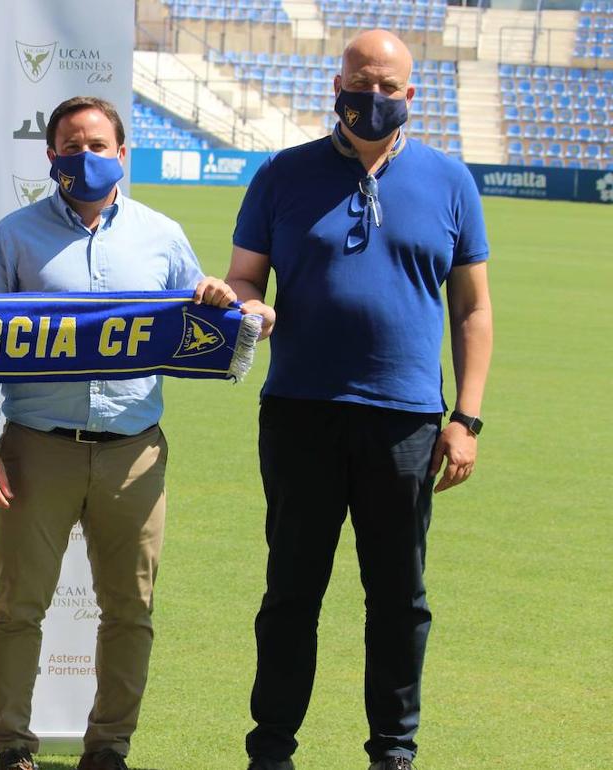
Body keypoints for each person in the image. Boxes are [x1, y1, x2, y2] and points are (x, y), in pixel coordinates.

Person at [0, 96, 263, 770]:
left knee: (131, 609)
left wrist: (214, 294)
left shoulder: (161, 235)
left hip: (133, 453)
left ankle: (109, 746)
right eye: (71, 145)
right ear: (51, 157)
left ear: (123, 154)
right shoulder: (14, 236)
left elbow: (204, 318)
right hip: (37, 449)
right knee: (18, 608)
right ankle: (12, 746)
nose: (84, 157)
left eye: (98, 145)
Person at [229, 30, 493, 770]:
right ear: (334, 85)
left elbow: (473, 309)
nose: (370, 99)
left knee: (400, 600)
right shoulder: (281, 174)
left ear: (411, 96)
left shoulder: (450, 181)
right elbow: (245, 276)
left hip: (406, 422)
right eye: (358, 83)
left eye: (386, 88)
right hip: (300, 415)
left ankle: (393, 753)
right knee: (291, 595)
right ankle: (272, 751)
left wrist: (465, 418)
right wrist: (253, 306)